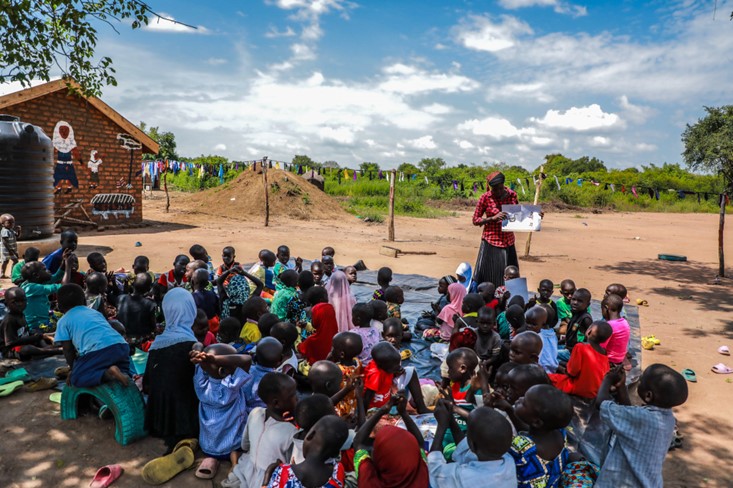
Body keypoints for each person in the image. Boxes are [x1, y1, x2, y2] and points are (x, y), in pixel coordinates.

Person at [595, 364, 688, 488]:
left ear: (648, 395)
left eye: (641, 381)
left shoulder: (642, 418)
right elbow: (629, 414)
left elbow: (601, 404)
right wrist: (621, 387)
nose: (639, 382)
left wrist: (608, 379)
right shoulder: (668, 419)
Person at [144, 288, 200, 451]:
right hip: (186, 420)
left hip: (159, 420)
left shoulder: (157, 344)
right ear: (191, 310)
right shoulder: (192, 344)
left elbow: (148, 384)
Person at [222, 373, 298, 488]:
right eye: (293, 395)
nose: (297, 398)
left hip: (247, 471)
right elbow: (294, 466)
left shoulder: (255, 412)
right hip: (270, 479)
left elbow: (245, 446)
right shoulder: (292, 432)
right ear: (276, 403)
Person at [190, 343, 252, 479]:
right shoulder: (230, 386)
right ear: (223, 371)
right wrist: (216, 359)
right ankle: (235, 461)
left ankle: (211, 460)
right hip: (232, 446)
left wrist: (199, 354)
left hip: (207, 446)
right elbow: (247, 360)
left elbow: (198, 344)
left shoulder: (201, 383)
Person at [54, 284, 130, 387]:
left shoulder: (63, 321)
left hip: (97, 352)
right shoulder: (94, 312)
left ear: (59, 306)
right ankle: (124, 375)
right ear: (84, 301)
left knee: (77, 378)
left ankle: (109, 374)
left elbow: (68, 350)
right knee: (122, 367)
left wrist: (74, 369)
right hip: (121, 346)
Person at [429, 402, 517, 488]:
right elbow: (465, 448)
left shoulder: (463, 478)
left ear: (472, 445)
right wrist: (451, 420)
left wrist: (441, 426)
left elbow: (434, 470)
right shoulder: (508, 461)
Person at [352, 393, 429, 488]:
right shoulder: (421, 475)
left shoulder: (368, 480)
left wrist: (383, 410)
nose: (390, 420)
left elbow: (358, 443)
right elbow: (420, 444)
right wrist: (403, 413)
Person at [510, 385, 572, 487]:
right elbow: (528, 428)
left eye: (524, 403)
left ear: (537, 422)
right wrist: (509, 409)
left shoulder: (520, 446)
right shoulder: (561, 434)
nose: (519, 399)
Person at [266, 415, 348, 488]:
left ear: (310, 435)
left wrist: (268, 473)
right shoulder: (338, 472)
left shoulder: (282, 473)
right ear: (336, 453)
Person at [472, 171, 520, 288]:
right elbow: (475, 220)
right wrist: (492, 218)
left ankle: (510, 299)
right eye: (495, 189)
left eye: (500, 188)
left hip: (508, 241)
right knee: (490, 276)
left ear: (504, 185)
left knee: (511, 276)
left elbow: (519, 215)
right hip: (491, 242)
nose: (498, 192)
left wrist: (535, 216)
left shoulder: (512, 195)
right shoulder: (485, 198)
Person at [550, 321, 613, 399]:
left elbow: (572, 372)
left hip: (580, 388)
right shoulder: (604, 353)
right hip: (596, 391)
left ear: (589, 331)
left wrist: (561, 368)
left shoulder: (580, 347)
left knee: (550, 377)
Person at [363, 342, 428, 413]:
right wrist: (364, 415)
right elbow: (367, 397)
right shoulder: (375, 375)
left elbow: (387, 375)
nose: (399, 367)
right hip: (380, 407)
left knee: (410, 371)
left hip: (388, 393)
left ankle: (421, 407)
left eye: (399, 364)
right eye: (395, 367)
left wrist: (395, 373)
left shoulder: (385, 365)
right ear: (382, 367)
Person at [0, 287, 62, 360]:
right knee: (26, 349)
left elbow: (25, 332)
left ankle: (45, 347)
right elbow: (10, 343)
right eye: (15, 302)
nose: (20, 304)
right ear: (7, 304)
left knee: (36, 332)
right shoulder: (9, 320)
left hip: (23, 341)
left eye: (23, 300)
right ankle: (51, 350)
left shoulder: (21, 314)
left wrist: (34, 336)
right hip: (11, 349)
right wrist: (31, 339)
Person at [489, 363, 550, 434]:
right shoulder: (513, 405)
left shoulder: (536, 413)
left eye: (513, 388)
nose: (508, 390)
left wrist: (509, 410)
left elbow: (528, 433)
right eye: (508, 386)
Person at [20, 259, 71, 331]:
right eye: (44, 269)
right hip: (38, 327)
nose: (48, 271)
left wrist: (64, 261)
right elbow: (63, 286)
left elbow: (56, 276)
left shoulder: (33, 282)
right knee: (69, 324)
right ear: (36, 275)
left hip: (43, 321)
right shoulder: (31, 288)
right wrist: (68, 267)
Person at [290, 394, 338, 464]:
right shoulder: (323, 444)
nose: (337, 415)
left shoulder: (300, 436)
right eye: (333, 415)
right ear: (321, 425)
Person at [328, 332, 364, 424]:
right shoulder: (357, 362)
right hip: (353, 400)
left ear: (342, 354)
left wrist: (327, 359)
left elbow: (324, 373)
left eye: (333, 348)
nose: (331, 350)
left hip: (341, 401)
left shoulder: (337, 369)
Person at [298, 287, 338, 365]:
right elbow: (321, 329)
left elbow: (299, 348)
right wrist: (307, 326)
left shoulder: (311, 341)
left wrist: (297, 331)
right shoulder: (337, 338)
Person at [244, 337, 284, 412]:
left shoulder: (246, 371)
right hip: (264, 414)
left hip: (244, 411)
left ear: (255, 357)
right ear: (280, 359)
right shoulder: (278, 380)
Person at [560, 288, 593, 362]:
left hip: (574, 353)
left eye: (580, 301)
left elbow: (590, 341)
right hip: (568, 347)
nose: (575, 303)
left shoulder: (586, 319)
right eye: (573, 299)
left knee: (550, 356)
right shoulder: (576, 313)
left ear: (587, 304)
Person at [600, 294, 631, 366]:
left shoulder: (609, 326)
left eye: (602, 309)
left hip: (610, 360)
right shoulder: (625, 322)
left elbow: (601, 347)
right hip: (620, 358)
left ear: (606, 308)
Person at [192, 268, 220, 333]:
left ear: (192, 281)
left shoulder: (191, 297)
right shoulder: (212, 294)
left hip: (199, 328)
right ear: (207, 283)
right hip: (214, 326)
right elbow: (218, 310)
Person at [0, 214, 21, 278]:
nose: (11, 224)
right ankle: (2, 274)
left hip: (12, 249)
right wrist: (10, 250)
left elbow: (17, 236)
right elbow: (4, 241)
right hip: (6, 250)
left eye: (13, 223)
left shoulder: (11, 230)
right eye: (9, 223)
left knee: (15, 261)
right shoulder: (5, 231)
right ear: (3, 224)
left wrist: (19, 230)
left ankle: (11, 273)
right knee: (6, 261)